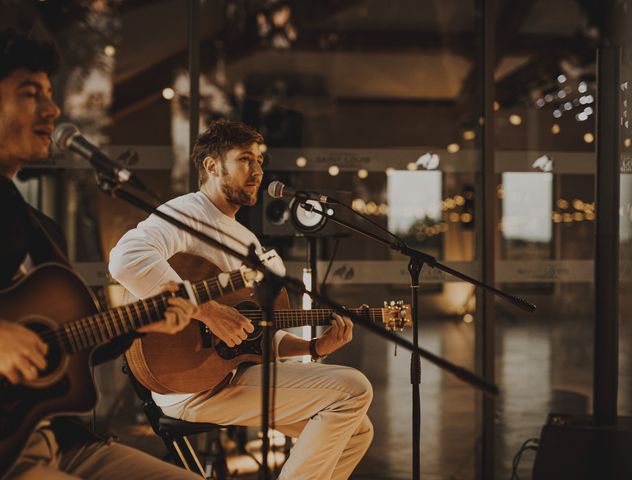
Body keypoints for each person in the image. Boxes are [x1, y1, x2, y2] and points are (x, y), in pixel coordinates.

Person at [109, 119, 374, 479]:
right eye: (245, 159)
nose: (257, 171)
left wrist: (314, 349)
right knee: (354, 389)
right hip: (190, 385)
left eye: (260, 162)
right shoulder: (188, 213)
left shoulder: (253, 246)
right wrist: (207, 312)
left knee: (358, 431)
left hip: (234, 376)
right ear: (212, 165)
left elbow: (257, 339)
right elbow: (127, 259)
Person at [0, 29, 201, 479]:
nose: (52, 111)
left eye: (50, 96)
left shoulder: (40, 228)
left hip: (58, 439)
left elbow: (70, 342)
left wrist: (138, 321)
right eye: (31, 94)